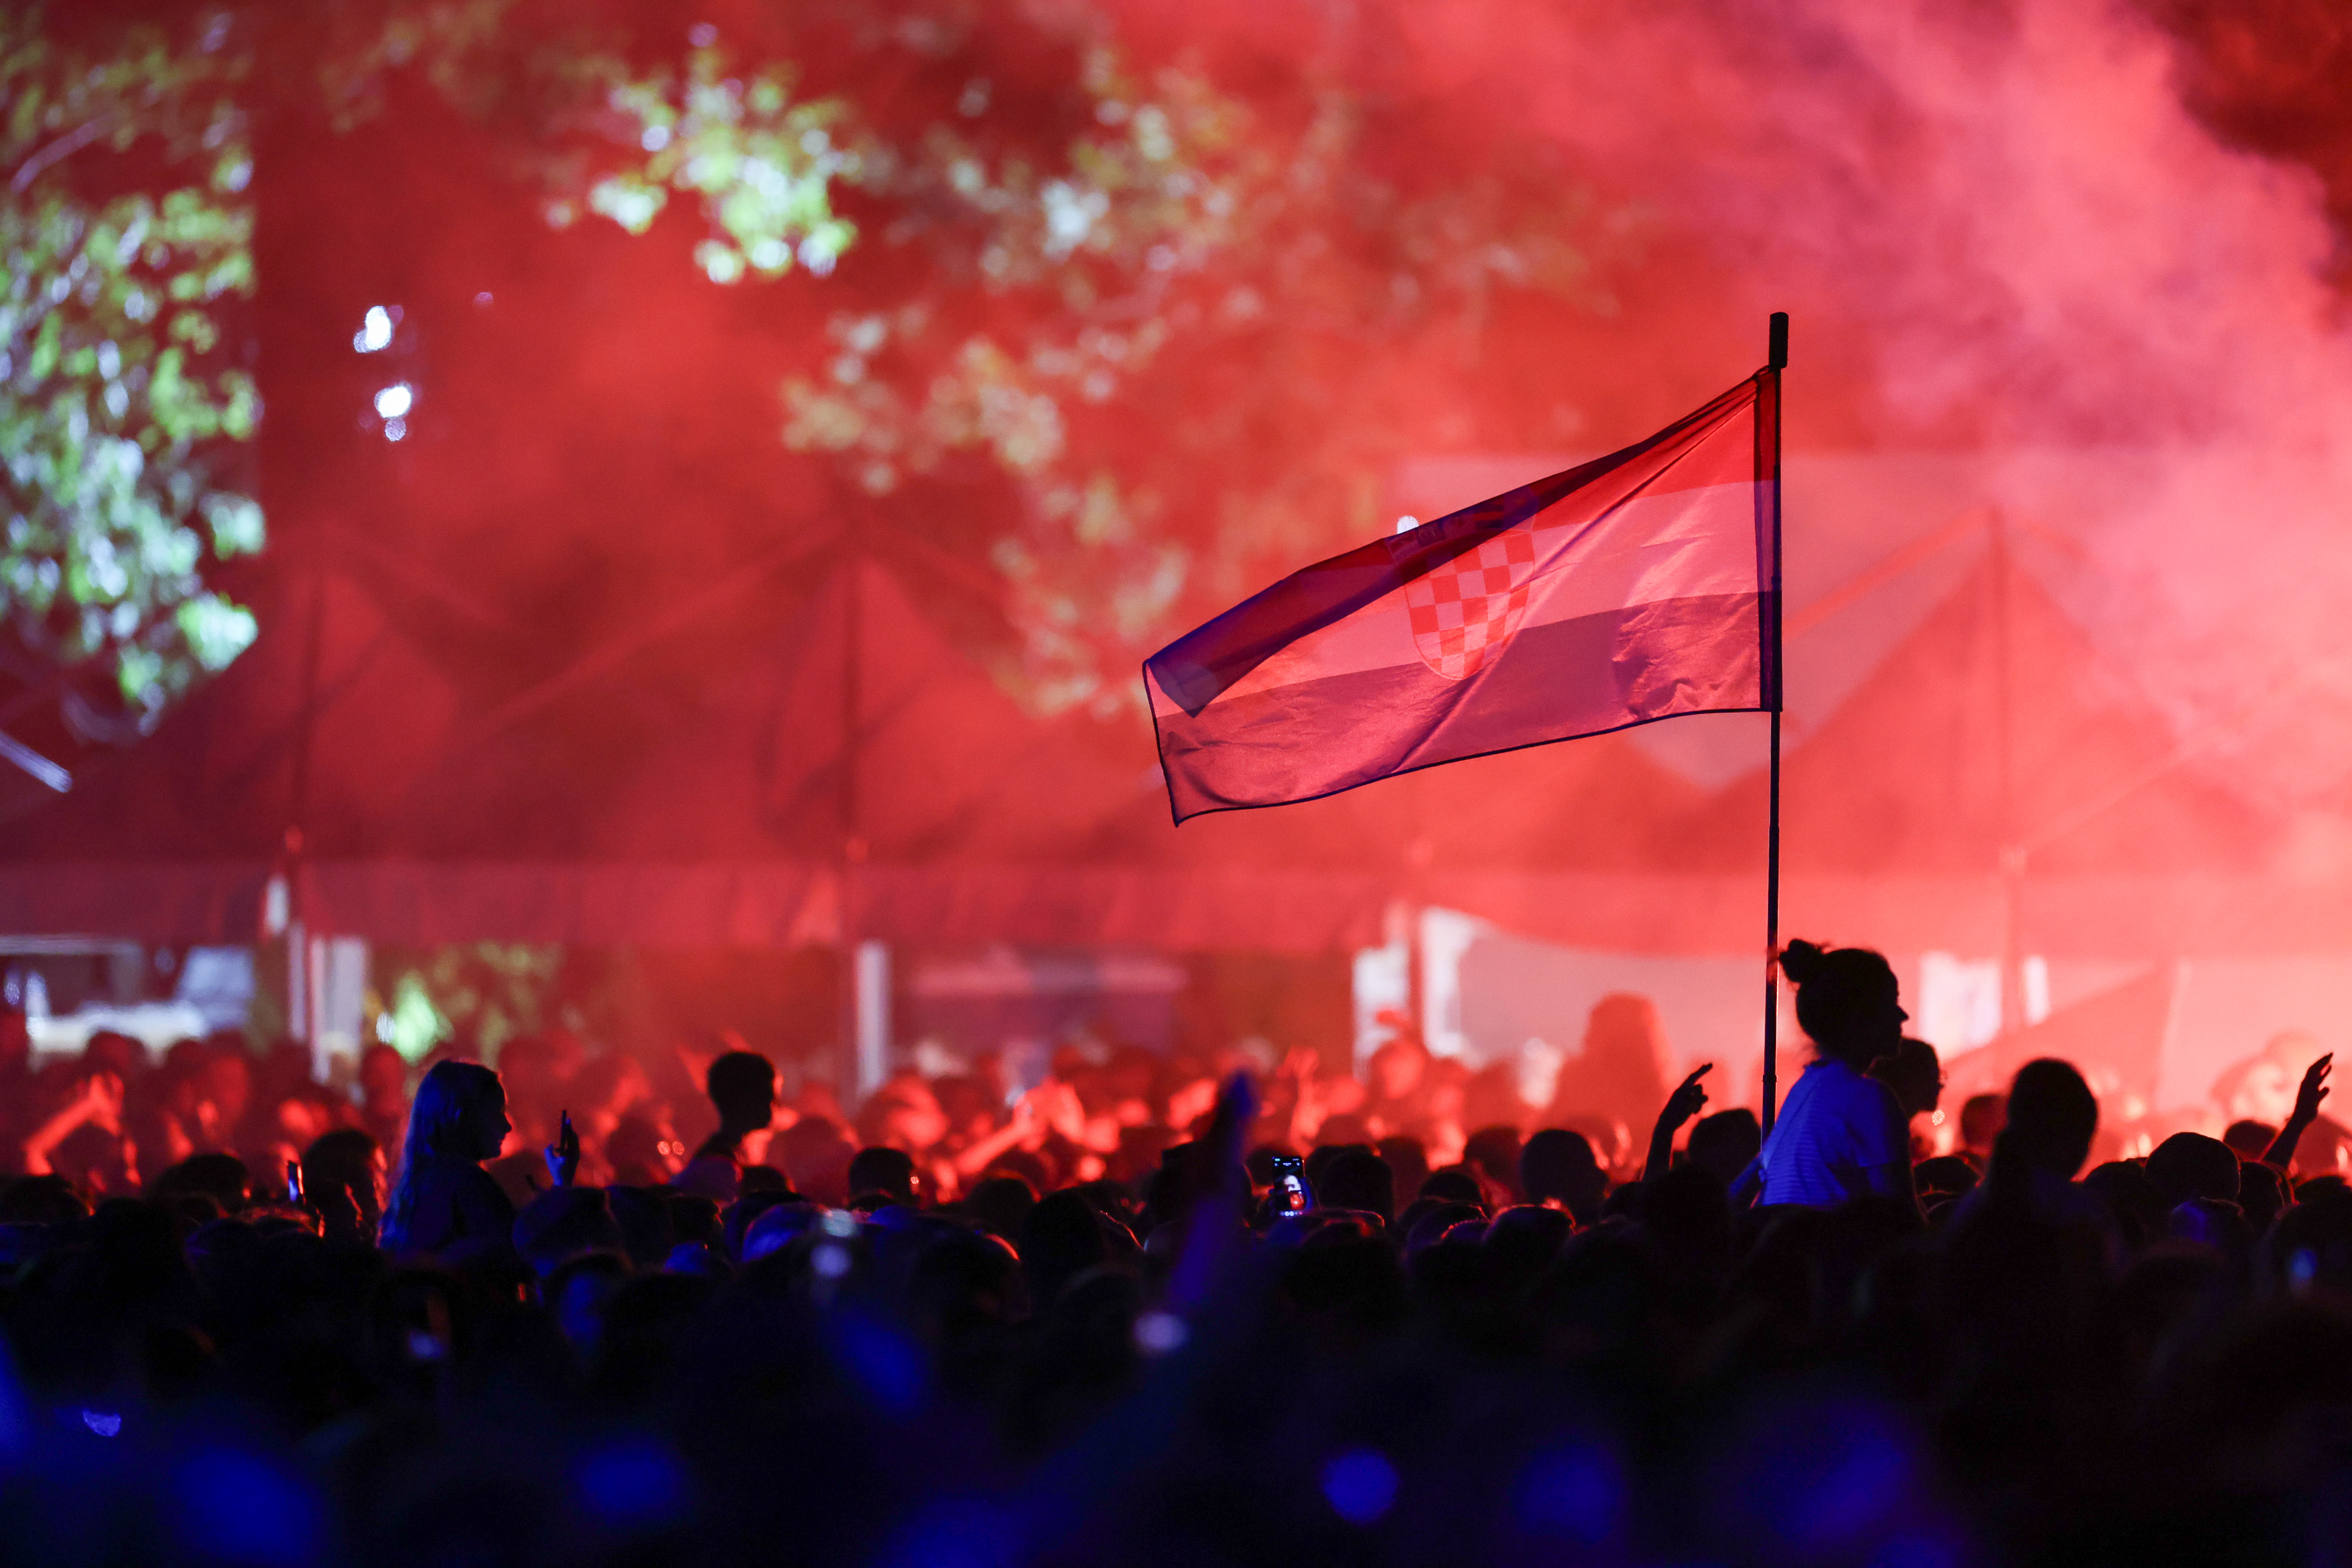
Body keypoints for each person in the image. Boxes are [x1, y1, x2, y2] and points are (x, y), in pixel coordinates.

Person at [1738, 940, 1915, 1211]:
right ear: (1859, 1018)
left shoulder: (1802, 1092)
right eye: (1891, 1003)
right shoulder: (1868, 1100)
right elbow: (1900, 1221)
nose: (1903, 1016)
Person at [382, 1059, 576, 1255]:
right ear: (462, 1118)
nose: (507, 1126)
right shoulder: (467, 1185)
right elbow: (522, 1255)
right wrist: (561, 1186)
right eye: (497, 1113)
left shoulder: (414, 1186)